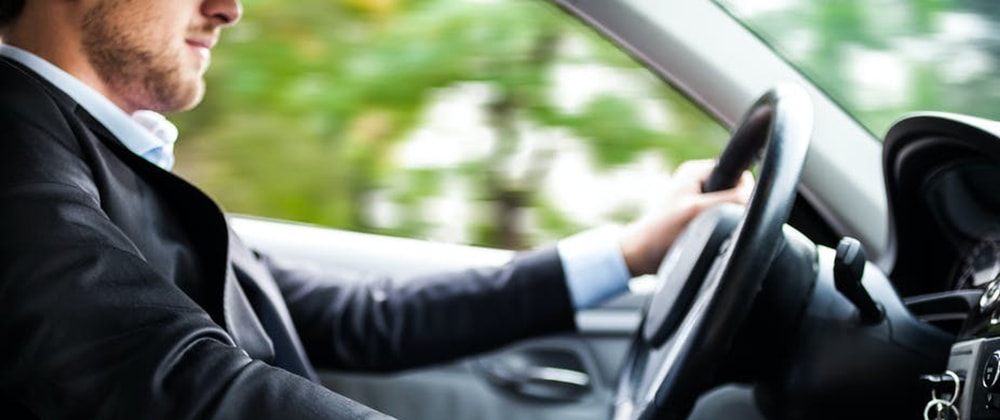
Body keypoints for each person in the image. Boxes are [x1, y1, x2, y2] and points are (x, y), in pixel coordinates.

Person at [0, 0, 753, 418]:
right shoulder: (13, 146)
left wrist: (631, 253)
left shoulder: (99, 152)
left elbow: (365, 316)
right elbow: (154, 376)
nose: (229, 8)